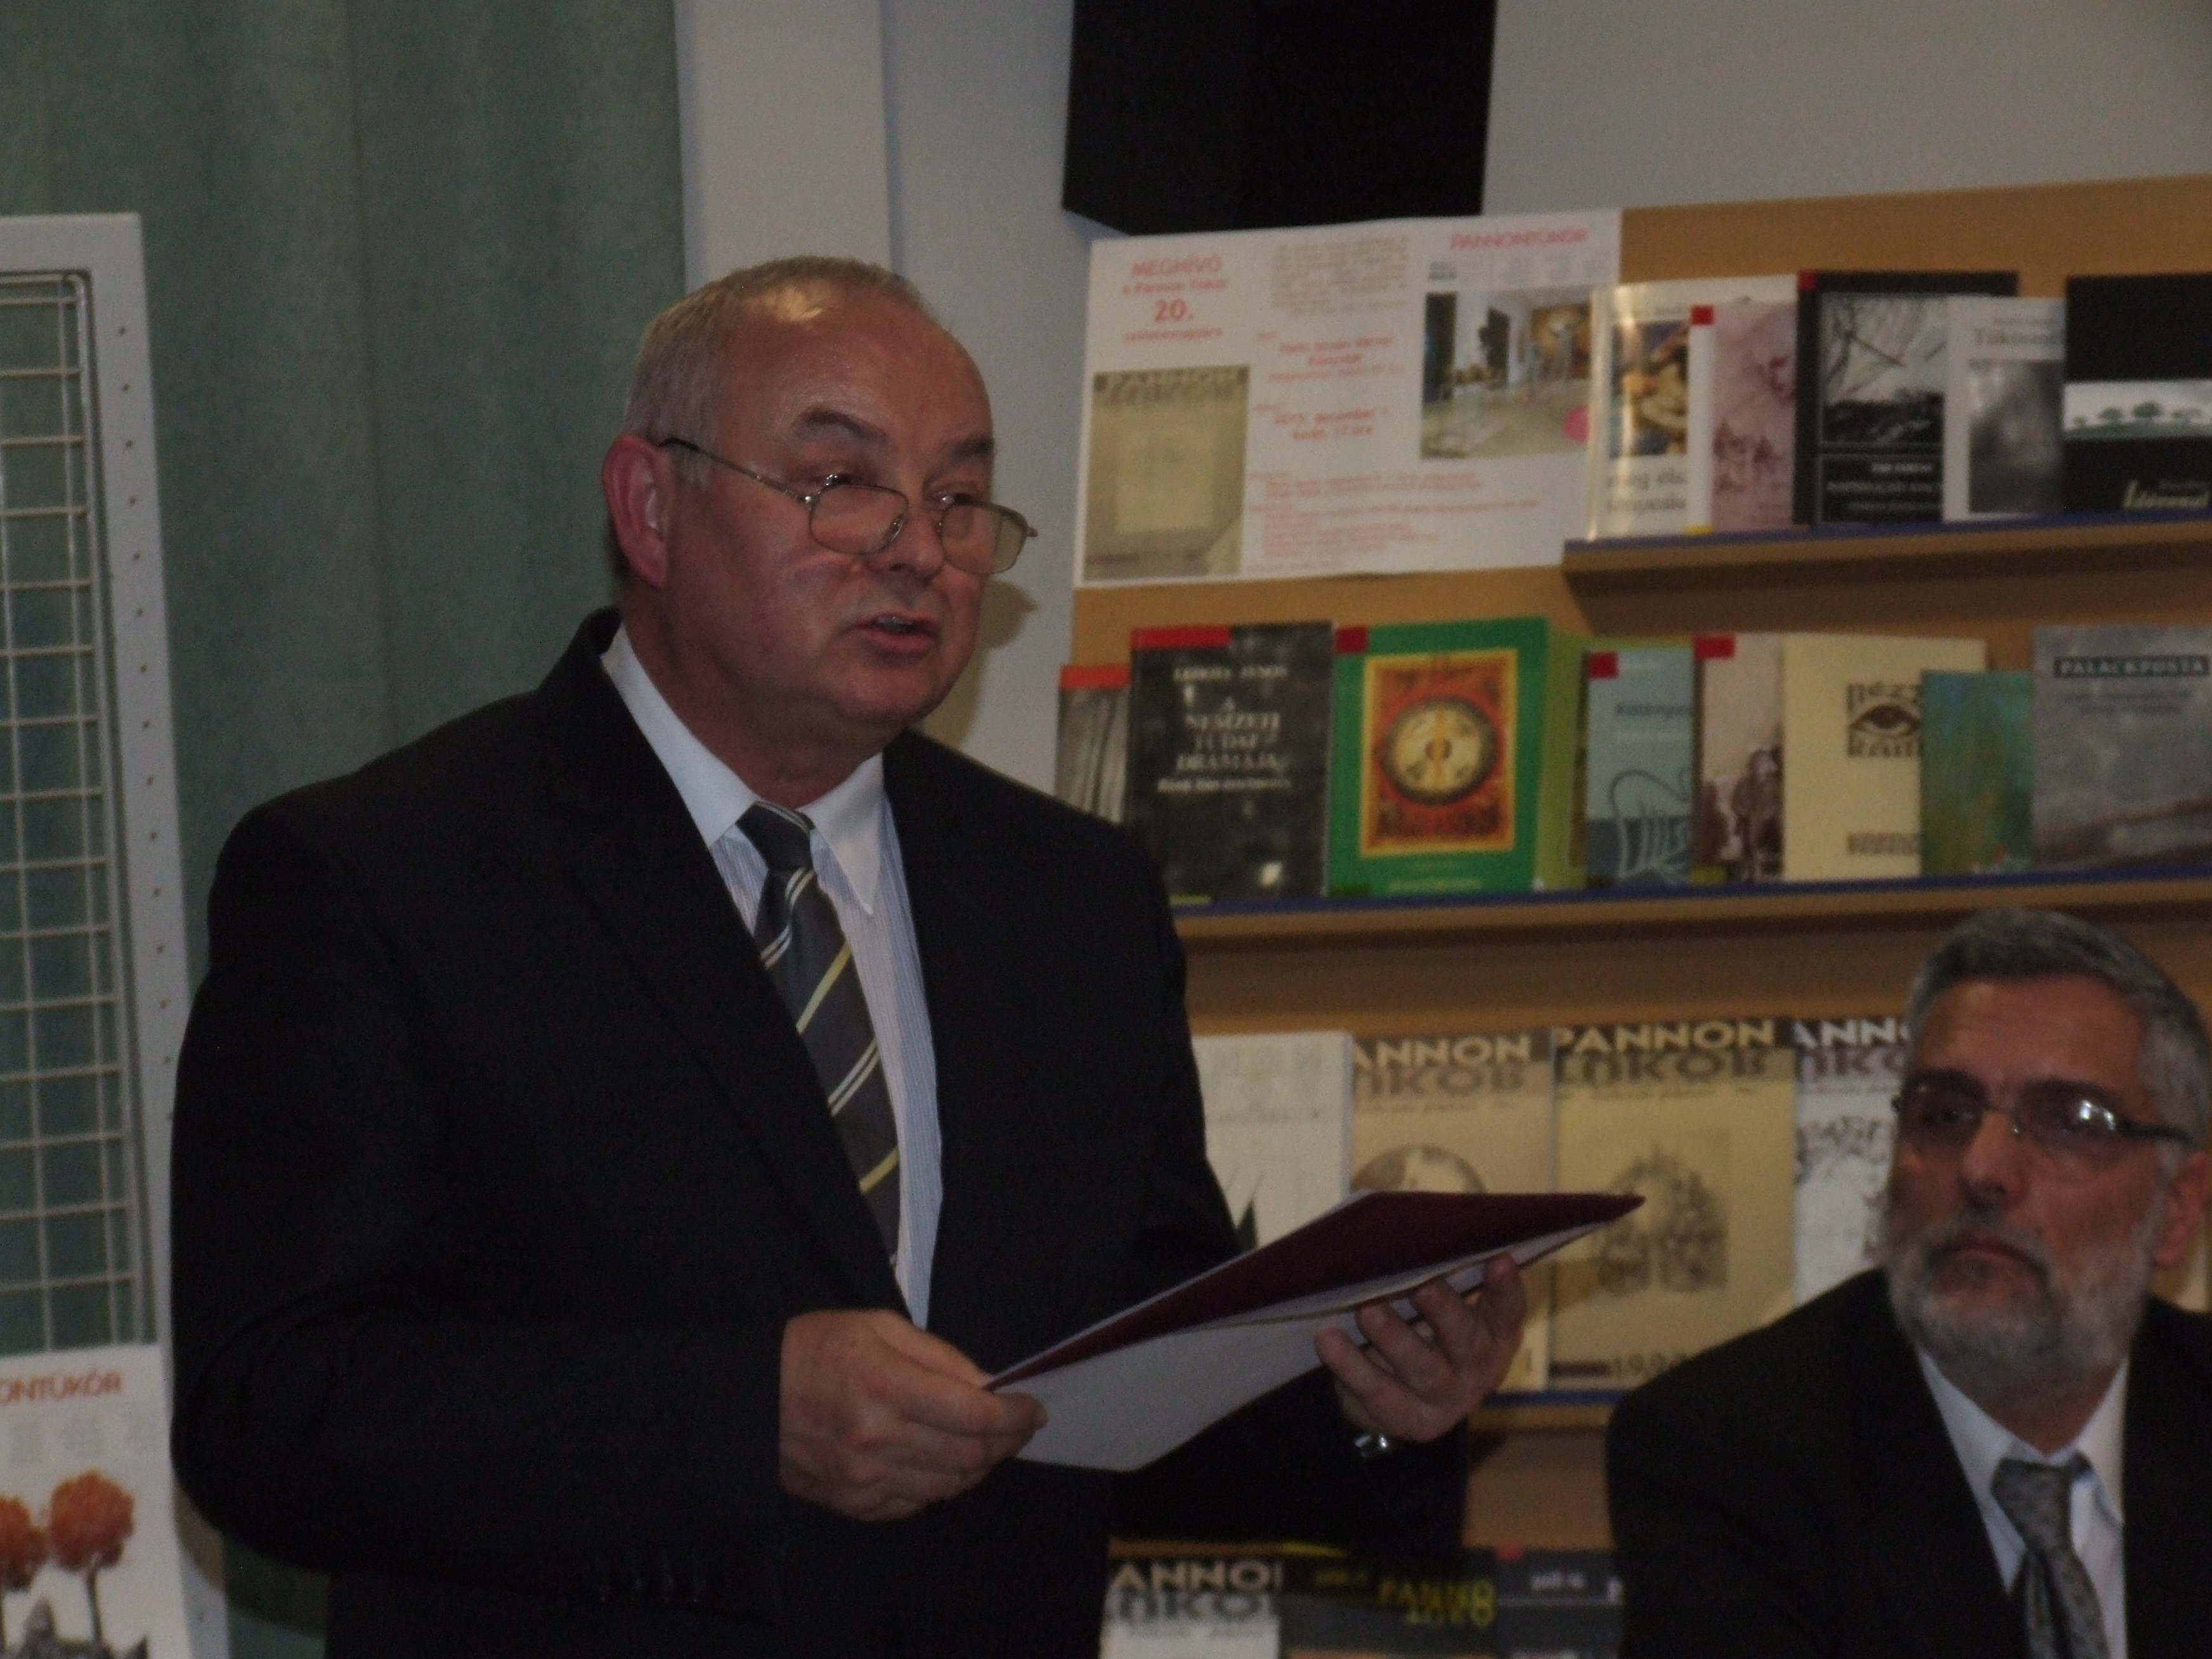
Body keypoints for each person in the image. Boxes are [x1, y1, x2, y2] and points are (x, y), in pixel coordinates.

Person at [168, 257, 1526, 1658]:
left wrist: (1367, 1401)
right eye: (840, 483)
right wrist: (744, 1422)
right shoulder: (385, 876)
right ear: (650, 505)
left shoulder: (1073, 899)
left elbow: (1120, 1379)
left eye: (957, 499)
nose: (916, 550)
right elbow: (270, 1411)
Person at [1607, 907, 2212, 1659]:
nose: (1982, 1168)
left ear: (2176, 1207)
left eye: (2067, 1121)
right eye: (1945, 1113)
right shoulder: (1726, 1452)